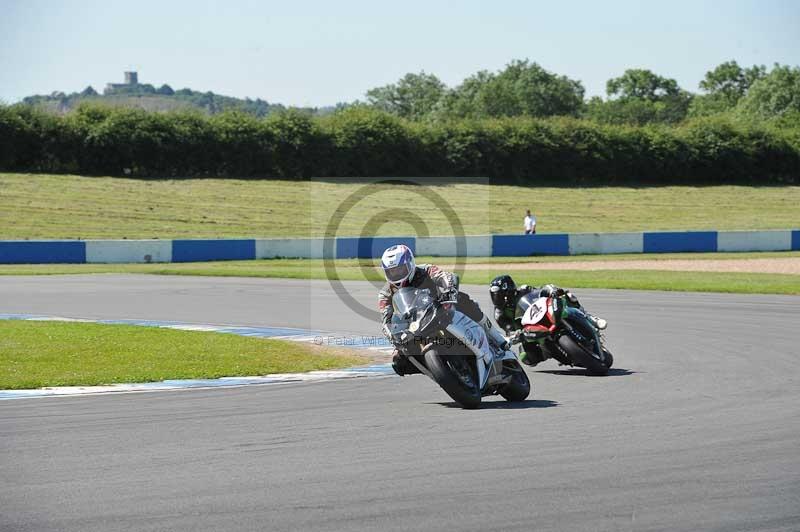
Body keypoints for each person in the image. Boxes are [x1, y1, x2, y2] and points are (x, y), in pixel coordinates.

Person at [379, 244, 509, 376]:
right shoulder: (385, 292)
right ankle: (440, 371)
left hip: (439, 308)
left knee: (463, 300)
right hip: (413, 324)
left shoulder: (426, 270)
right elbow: (385, 318)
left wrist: (449, 290)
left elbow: (445, 277)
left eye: (400, 269)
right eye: (392, 271)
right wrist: (392, 335)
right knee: (399, 361)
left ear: (410, 264)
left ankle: (497, 339)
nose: (396, 274)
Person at [489, 274, 607, 365]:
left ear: (508, 290)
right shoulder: (499, 314)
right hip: (530, 331)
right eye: (494, 295)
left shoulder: (524, 289)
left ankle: (590, 318)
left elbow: (541, 291)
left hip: (545, 313)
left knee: (568, 296)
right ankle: (552, 352)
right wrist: (515, 335)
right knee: (526, 357)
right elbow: (508, 329)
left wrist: (552, 290)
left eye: (499, 294)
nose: (496, 298)